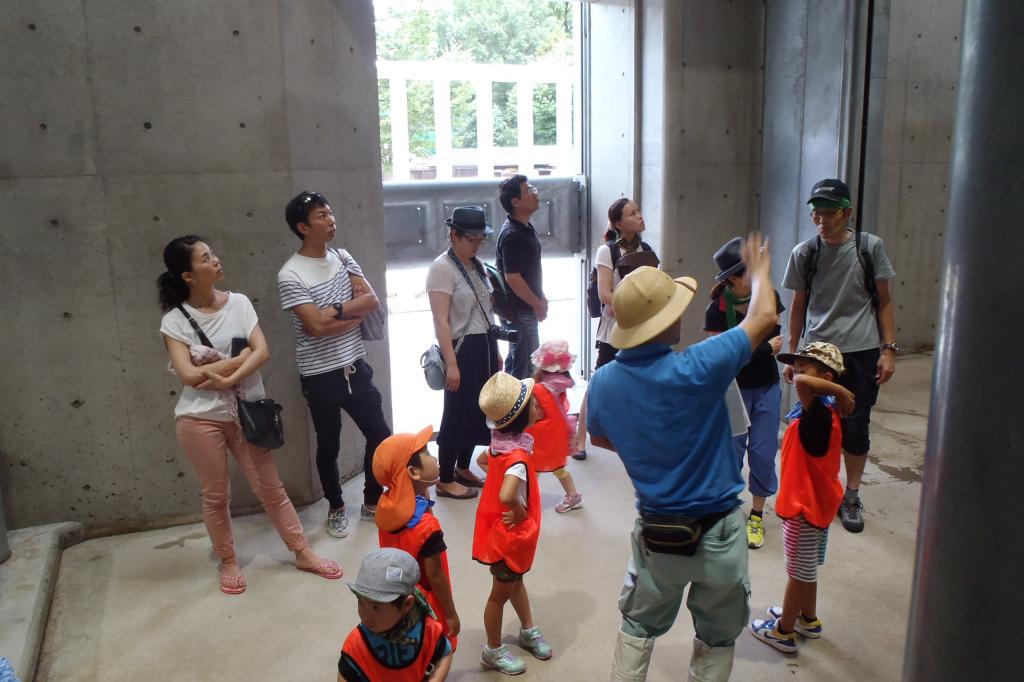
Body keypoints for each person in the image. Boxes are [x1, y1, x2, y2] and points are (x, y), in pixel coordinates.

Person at [587, 236, 779, 682]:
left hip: (657, 534)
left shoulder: (604, 382)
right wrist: (762, 269)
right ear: (663, 324)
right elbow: (765, 316)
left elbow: (599, 438)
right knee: (717, 636)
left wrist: (648, 447)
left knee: (637, 625)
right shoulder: (701, 365)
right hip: (719, 536)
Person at [157, 236, 342, 595]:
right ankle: (227, 559)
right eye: (205, 258)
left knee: (271, 488)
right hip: (199, 418)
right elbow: (190, 376)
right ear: (188, 275)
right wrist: (240, 361)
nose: (216, 260)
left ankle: (302, 552)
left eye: (213, 253)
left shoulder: (239, 303)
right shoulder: (174, 321)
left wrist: (224, 375)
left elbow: (263, 351)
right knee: (215, 494)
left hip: (247, 412)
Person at [781, 178, 898, 533]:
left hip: (860, 350)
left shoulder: (869, 248)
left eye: (829, 213)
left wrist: (888, 349)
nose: (821, 220)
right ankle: (818, 488)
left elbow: (885, 301)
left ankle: (851, 495)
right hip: (817, 352)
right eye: (816, 213)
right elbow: (798, 304)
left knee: (855, 425)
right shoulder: (806, 252)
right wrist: (793, 351)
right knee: (814, 423)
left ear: (847, 212)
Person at [278, 191, 393, 540]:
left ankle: (372, 501)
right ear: (302, 227)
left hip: (355, 366)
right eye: (321, 216)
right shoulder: (291, 274)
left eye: (330, 213)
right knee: (329, 444)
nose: (331, 221)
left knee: (380, 436)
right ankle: (336, 506)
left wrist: (338, 312)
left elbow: (370, 301)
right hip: (320, 375)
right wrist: (350, 311)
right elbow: (313, 327)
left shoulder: (343, 257)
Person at [749, 342, 855, 654]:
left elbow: (803, 383)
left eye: (803, 366)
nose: (795, 372)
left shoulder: (821, 413)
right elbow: (804, 382)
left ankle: (783, 632)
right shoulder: (823, 411)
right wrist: (833, 389)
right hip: (816, 505)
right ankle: (806, 618)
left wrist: (841, 390)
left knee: (797, 574)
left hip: (803, 508)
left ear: (826, 377)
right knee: (807, 570)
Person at [704, 237, 785, 549]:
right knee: (730, 454)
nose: (758, 275)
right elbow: (722, 357)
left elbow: (774, 343)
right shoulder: (716, 310)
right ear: (733, 278)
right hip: (731, 392)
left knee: (764, 453)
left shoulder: (769, 297)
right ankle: (726, 511)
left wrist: (753, 349)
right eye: (752, 270)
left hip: (766, 387)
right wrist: (761, 348)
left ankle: (756, 515)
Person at [473, 372, 552, 675]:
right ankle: (492, 649)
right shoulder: (517, 457)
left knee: (516, 582)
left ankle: (527, 629)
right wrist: (517, 509)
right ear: (523, 417)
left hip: (504, 534)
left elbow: (484, 462)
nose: (537, 408)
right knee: (500, 594)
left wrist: (494, 481)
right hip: (509, 536)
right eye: (533, 405)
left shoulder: (500, 444)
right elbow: (508, 493)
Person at [574, 197, 660, 461]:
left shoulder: (646, 248)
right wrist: (629, 309)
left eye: (638, 211)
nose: (639, 216)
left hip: (641, 328)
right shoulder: (607, 251)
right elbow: (604, 294)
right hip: (615, 328)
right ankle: (579, 438)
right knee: (599, 381)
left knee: (642, 382)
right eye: (632, 213)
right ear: (619, 223)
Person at [426, 206, 501, 500]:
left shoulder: (475, 265)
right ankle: (444, 478)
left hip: (483, 343)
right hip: (461, 347)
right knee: (456, 412)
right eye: (471, 239)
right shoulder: (442, 268)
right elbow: (440, 321)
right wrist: (452, 363)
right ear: (453, 235)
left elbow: (486, 310)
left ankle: (462, 467)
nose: (477, 244)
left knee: (478, 409)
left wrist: (494, 351)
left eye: (481, 239)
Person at [373, 425, 461, 649]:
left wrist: (421, 489)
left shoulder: (386, 507)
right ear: (413, 472)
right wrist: (450, 613)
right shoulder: (427, 528)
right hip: (426, 602)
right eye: (429, 454)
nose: (434, 458)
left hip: (399, 595)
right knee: (436, 648)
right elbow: (436, 575)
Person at [339, 548, 453, 681]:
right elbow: (344, 676)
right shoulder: (357, 643)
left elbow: (445, 655)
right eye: (360, 602)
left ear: (406, 605)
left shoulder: (427, 630)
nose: (365, 616)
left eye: (376, 607)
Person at [495, 175, 546, 379]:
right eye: (528, 191)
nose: (535, 193)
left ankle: (510, 407)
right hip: (520, 311)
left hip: (523, 310)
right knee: (524, 371)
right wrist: (537, 303)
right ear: (515, 202)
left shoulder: (522, 228)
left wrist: (540, 298)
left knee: (519, 362)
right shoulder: (513, 234)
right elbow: (513, 278)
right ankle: (518, 410)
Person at [526, 340, 584, 513]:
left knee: (532, 470)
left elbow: (535, 414)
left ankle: (530, 503)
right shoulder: (561, 386)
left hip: (541, 437)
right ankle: (573, 495)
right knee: (559, 467)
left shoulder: (538, 389)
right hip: (557, 435)